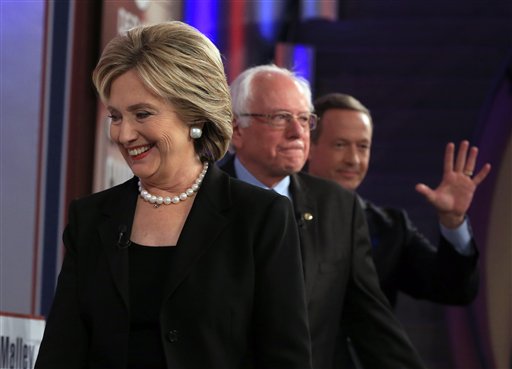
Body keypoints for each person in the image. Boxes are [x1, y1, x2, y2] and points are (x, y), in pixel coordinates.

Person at [35, 22, 313, 369]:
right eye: (116, 116)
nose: (123, 134)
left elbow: (285, 358)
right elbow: (61, 354)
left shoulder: (260, 216)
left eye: (142, 114)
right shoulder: (91, 218)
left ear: (194, 113)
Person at [220, 64, 427, 369]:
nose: (297, 132)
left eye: (304, 119)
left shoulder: (339, 206)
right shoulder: (198, 199)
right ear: (237, 130)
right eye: (280, 118)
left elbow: (371, 320)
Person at [308, 92, 491, 306]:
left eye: (362, 146)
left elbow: (454, 290)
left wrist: (453, 221)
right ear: (309, 146)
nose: (353, 159)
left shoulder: (390, 228)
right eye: (340, 145)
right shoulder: (278, 215)